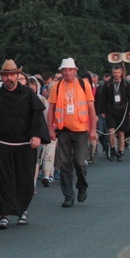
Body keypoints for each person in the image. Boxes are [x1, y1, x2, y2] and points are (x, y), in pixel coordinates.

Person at [0, 60, 49, 228]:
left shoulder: (28, 94)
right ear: (2, 77)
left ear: (17, 75)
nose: (9, 78)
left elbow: (37, 116)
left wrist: (37, 135)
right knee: (3, 179)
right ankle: (4, 214)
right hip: (2, 143)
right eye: (6, 75)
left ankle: (22, 210)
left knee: (23, 178)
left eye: (12, 74)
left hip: (25, 143)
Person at [46, 58, 96, 208]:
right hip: (63, 130)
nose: (67, 73)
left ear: (75, 71)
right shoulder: (56, 86)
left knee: (80, 162)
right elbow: (51, 110)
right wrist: (50, 129)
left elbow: (91, 109)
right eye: (64, 70)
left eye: (70, 70)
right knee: (65, 164)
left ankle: (82, 185)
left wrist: (92, 129)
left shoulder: (84, 84)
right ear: (61, 72)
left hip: (80, 129)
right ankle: (68, 196)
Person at [97, 65, 130, 161]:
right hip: (111, 110)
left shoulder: (126, 84)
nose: (116, 74)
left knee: (121, 132)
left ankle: (121, 151)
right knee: (111, 131)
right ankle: (113, 148)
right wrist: (102, 111)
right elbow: (103, 98)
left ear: (121, 73)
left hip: (122, 110)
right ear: (112, 73)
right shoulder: (108, 84)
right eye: (114, 73)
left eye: (118, 73)